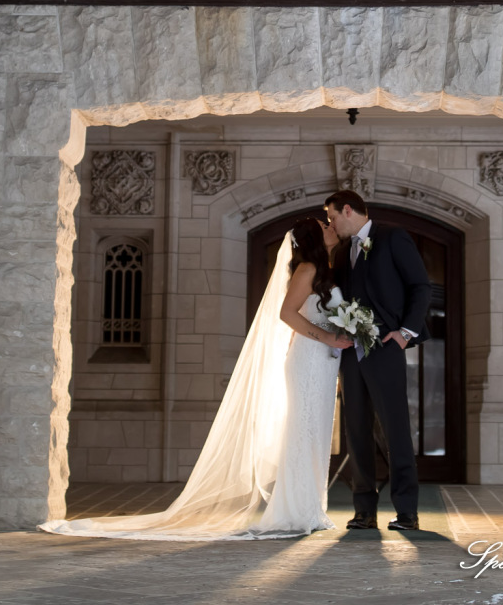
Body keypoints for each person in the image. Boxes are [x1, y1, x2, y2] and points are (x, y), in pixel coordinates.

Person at [39, 218, 352, 540]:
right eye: (324, 225)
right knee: (302, 432)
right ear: (315, 237)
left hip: (324, 363)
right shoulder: (308, 270)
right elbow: (286, 314)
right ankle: (294, 512)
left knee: (315, 433)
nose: (330, 226)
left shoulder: (325, 269)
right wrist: (327, 338)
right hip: (308, 359)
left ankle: (312, 509)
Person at [325, 190, 431, 531]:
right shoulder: (341, 253)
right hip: (351, 353)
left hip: (386, 346)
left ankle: (407, 512)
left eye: (332, 217)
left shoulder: (391, 237)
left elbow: (420, 286)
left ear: (347, 209)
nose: (331, 224)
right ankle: (364, 511)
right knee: (356, 430)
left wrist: (405, 333)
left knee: (395, 428)